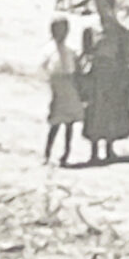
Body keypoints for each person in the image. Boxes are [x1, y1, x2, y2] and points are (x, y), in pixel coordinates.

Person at [82, 0, 129, 164]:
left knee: (112, 109)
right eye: (97, 6)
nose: (100, 10)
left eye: (103, 6)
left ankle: (109, 148)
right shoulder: (91, 29)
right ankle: (93, 151)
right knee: (94, 110)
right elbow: (86, 52)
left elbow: (126, 54)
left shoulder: (120, 30)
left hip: (114, 74)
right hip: (96, 74)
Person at [41, 15, 85, 165]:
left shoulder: (71, 50)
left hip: (69, 88)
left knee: (69, 124)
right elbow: (45, 70)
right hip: (57, 89)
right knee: (55, 123)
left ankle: (66, 153)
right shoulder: (49, 50)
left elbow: (76, 70)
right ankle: (47, 153)